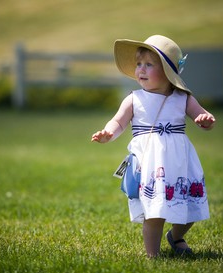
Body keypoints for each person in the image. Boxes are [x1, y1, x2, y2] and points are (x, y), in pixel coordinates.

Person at [91, 35, 216, 258]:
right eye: (139, 64)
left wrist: (204, 120)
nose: (141, 70)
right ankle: (153, 256)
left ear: (168, 72)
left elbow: (201, 114)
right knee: (155, 211)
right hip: (152, 164)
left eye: (149, 65)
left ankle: (176, 236)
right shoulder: (134, 98)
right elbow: (118, 121)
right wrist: (108, 133)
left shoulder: (183, 98)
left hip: (179, 162)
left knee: (191, 207)